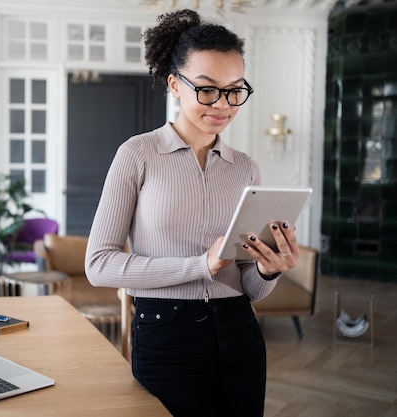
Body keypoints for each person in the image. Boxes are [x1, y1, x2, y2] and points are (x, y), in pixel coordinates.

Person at [84, 9, 300, 417]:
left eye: (235, 90)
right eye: (207, 89)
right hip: (166, 335)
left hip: (240, 333)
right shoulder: (137, 154)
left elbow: (250, 288)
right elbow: (98, 265)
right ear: (174, 85)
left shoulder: (247, 168)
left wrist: (270, 270)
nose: (223, 104)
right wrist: (199, 265)